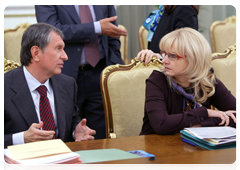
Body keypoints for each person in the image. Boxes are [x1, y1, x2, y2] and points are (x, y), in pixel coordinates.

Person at [35, 5, 127, 139]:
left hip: (100, 73)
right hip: (64, 74)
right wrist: (96, 27)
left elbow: (112, 33)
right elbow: (50, 31)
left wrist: (113, 67)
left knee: (99, 133)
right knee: (68, 130)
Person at [4, 23, 96, 148]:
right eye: (58, 48)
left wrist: (76, 131)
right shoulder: (5, 87)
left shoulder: (67, 84)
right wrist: (22, 138)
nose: (65, 56)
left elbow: (72, 118)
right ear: (36, 53)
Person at [137, 28, 238, 135]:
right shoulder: (157, 80)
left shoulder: (207, 81)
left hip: (197, 147)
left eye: (172, 56)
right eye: (164, 54)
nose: (164, 60)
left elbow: (237, 115)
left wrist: (199, 125)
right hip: (156, 147)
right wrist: (206, 113)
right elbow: (161, 124)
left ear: (193, 59)